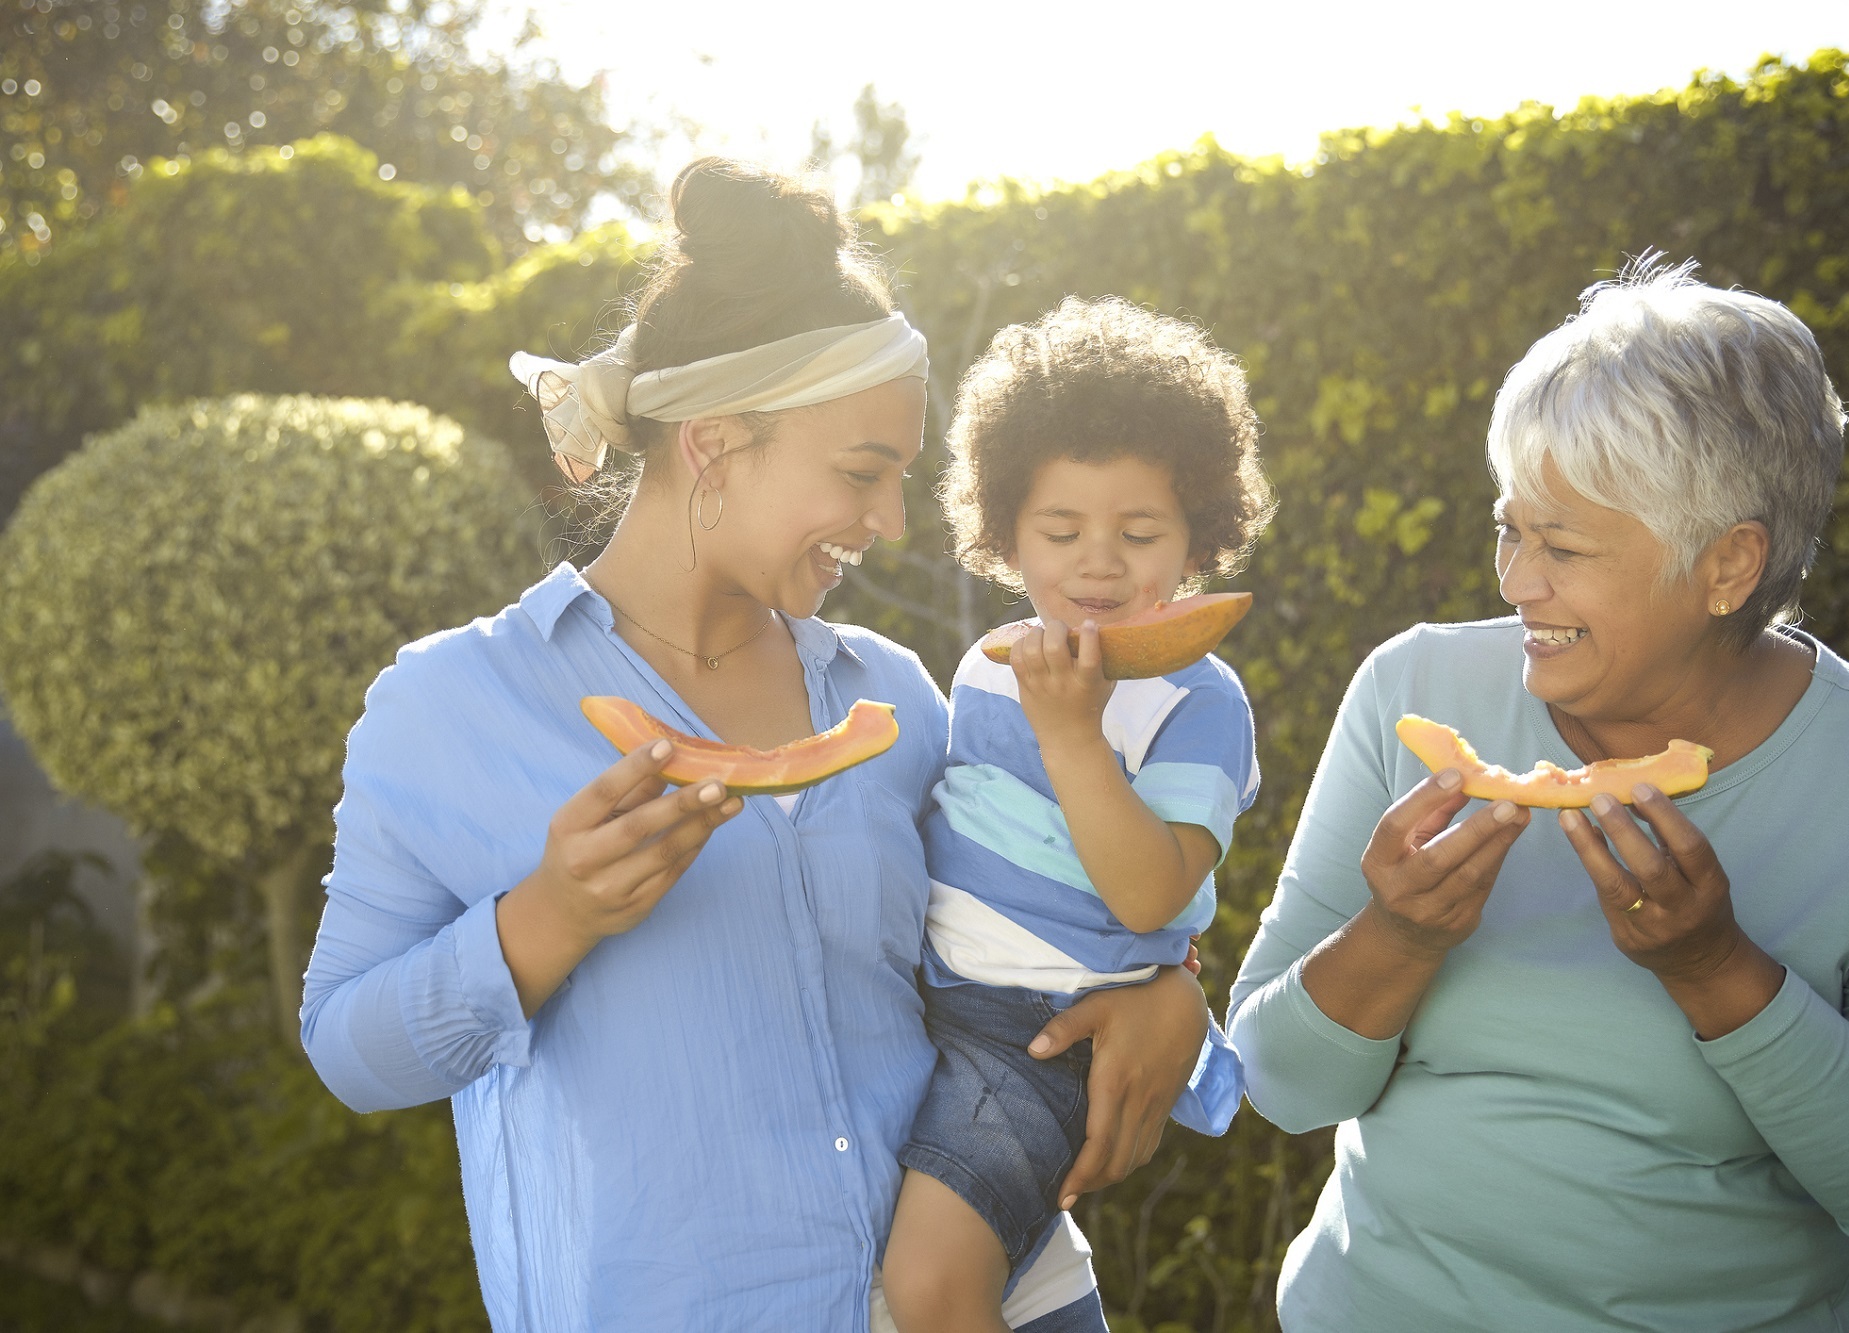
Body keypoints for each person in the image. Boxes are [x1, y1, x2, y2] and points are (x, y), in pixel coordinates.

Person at [299, 159, 1216, 1333]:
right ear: (716, 445)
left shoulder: (890, 694)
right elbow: (348, 1049)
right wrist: (546, 920)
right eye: (860, 473)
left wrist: (1172, 1000)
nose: (891, 523)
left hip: (1002, 1296)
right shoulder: (448, 703)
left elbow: (1043, 900)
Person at [1226, 258, 1849, 1332]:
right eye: (1508, 527)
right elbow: (1274, 1084)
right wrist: (1395, 936)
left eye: (1562, 546)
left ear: (1726, 564)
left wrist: (1715, 971)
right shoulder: (1412, 686)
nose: (1513, 581)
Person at [880, 298, 1275, 1333]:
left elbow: (1152, 889)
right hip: (925, 1008)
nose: (1097, 561)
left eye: (1138, 533)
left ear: (1198, 540)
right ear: (1006, 533)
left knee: (928, 1285)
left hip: (1042, 1035)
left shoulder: (1199, 703)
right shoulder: (981, 668)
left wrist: (1071, 737)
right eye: (1061, 530)